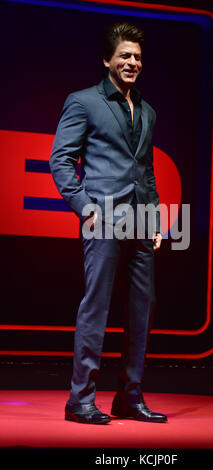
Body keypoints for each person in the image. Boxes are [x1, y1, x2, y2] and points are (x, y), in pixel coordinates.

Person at [49, 22, 167, 424]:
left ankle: (129, 398)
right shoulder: (83, 102)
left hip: (139, 222)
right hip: (102, 219)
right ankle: (79, 399)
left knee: (142, 309)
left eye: (137, 57)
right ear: (107, 60)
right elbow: (60, 161)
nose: (132, 62)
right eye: (124, 56)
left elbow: (146, 171)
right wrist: (86, 208)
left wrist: (154, 220)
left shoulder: (147, 110)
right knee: (95, 307)